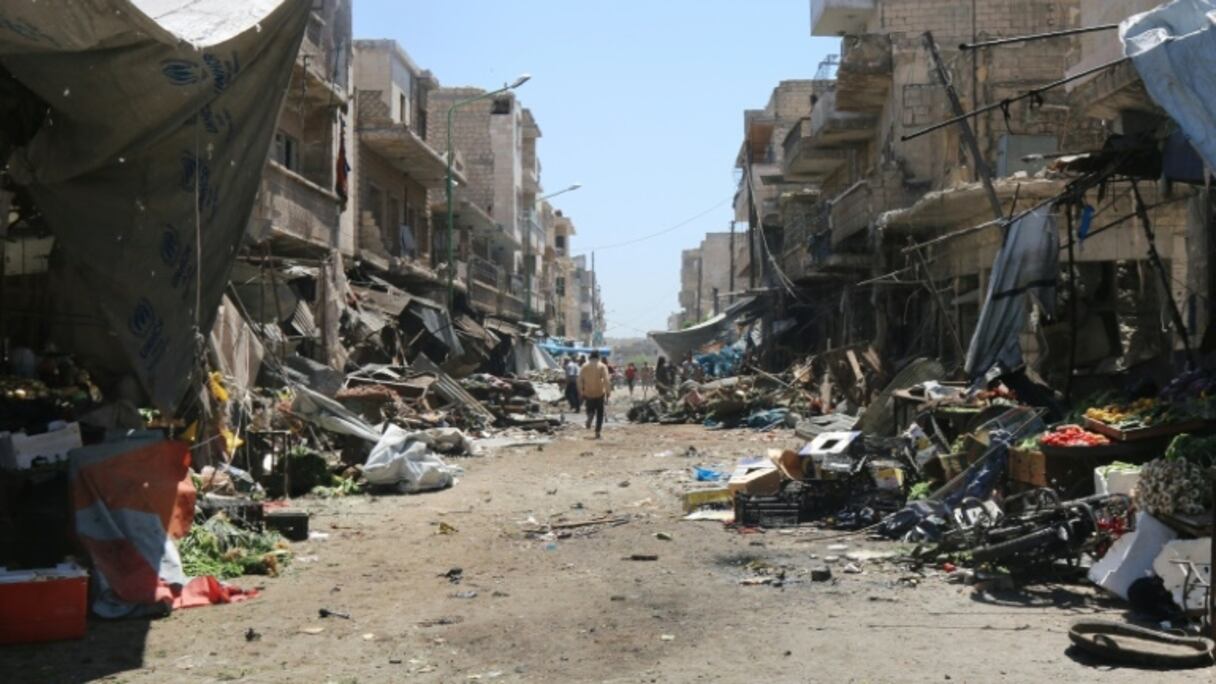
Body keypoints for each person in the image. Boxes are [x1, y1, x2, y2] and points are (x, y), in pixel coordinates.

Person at [578, 350, 612, 439]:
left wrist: (581, 391)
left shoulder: (584, 366)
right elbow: (606, 380)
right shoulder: (602, 366)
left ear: (590, 356)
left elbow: (579, 380)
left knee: (589, 408)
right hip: (599, 392)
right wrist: (608, 391)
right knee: (600, 413)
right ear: (598, 357)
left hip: (588, 392)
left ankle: (590, 415)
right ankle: (597, 432)